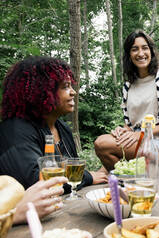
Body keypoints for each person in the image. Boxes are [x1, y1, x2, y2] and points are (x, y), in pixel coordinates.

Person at [0, 56, 107, 190]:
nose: (73, 92)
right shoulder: (15, 130)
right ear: (42, 92)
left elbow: (72, 167)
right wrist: (87, 177)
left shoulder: (62, 127)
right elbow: (37, 181)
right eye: (65, 87)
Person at [94, 30, 159, 171]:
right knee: (101, 143)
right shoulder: (128, 86)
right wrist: (122, 131)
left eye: (145, 48)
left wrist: (141, 133)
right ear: (129, 55)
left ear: (152, 51)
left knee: (102, 143)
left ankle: (113, 175)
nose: (140, 53)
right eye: (134, 49)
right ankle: (122, 178)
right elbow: (131, 125)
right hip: (136, 139)